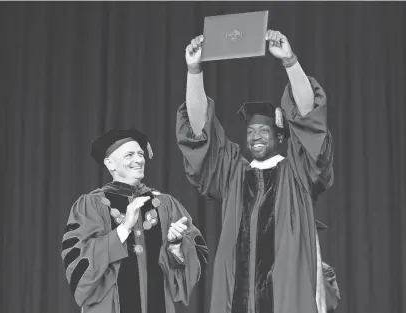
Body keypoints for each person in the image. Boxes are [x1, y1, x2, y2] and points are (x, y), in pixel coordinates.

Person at [176, 29, 338, 313]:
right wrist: (194, 71)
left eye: (264, 130)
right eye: (251, 131)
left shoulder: (297, 173)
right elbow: (200, 133)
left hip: (286, 297)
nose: (256, 137)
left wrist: (290, 62)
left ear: (280, 136)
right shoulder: (234, 174)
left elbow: (311, 122)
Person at [61, 127, 208, 313]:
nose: (139, 160)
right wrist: (123, 229)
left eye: (140, 153)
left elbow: (197, 255)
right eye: (129, 155)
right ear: (110, 163)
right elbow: (79, 260)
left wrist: (176, 247)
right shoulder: (91, 206)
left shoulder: (166, 204)